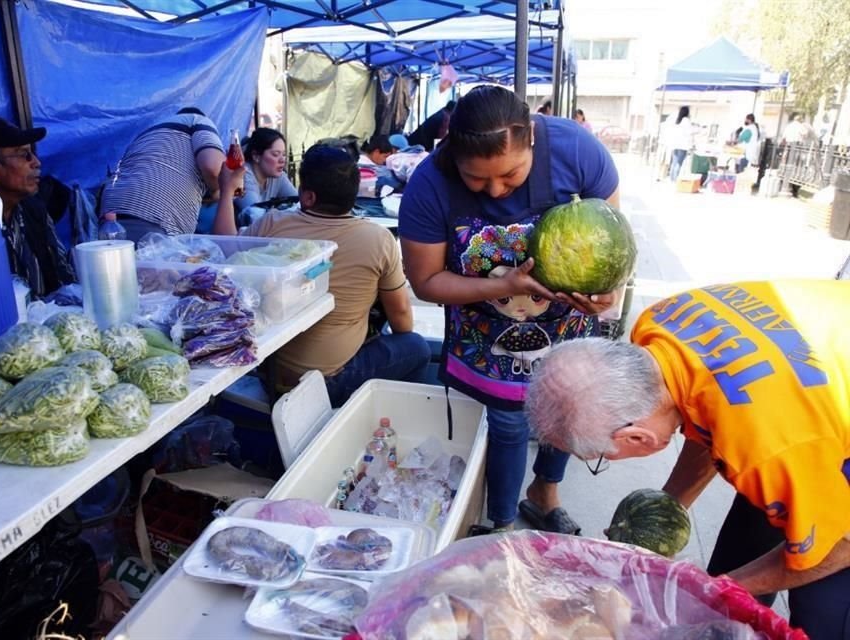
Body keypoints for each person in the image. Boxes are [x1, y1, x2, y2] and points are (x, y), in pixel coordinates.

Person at [524, 280, 850, 638]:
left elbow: (839, 546)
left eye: (598, 457)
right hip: (808, 405)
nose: (602, 460)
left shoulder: (771, 450)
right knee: (748, 540)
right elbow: (709, 411)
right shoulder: (660, 325)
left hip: (815, 441)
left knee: (824, 611)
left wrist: (712, 588)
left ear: (636, 438)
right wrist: (669, 508)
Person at [397, 85, 622, 534]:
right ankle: (501, 521)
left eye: (511, 174)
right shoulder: (429, 183)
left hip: (569, 324)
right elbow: (425, 282)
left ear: (532, 141)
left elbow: (613, 238)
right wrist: (500, 285)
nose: (496, 190)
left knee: (567, 409)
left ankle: (544, 493)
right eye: (477, 180)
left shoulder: (576, 150)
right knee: (508, 422)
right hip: (489, 333)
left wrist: (606, 290)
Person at [214, 144, 430, 407]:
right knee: (416, 347)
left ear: (307, 197)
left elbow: (223, 249)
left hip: (271, 376)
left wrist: (226, 191)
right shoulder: (379, 239)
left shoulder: (272, 224)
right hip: (329, 384)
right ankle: (383, 419)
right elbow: (402, 323)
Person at [0, 116, 76, 298]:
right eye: (24, 155)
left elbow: (62, 272)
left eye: (33, 153)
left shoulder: (34, 209)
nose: (36, 162)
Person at [99, 107, 225, 241]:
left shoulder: (149, 134)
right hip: (151, 218)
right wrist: (219, 191)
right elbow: (214, 168)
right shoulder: (197, 120)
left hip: (109, 220)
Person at [232, 127, 297, 217]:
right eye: (275, 154)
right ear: (256, 156)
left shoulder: (278, 175)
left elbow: (299, 204)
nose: (283, 160)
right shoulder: (242, 175)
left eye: (284, 154)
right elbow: (255, 215)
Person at [781, 113, 816, 198]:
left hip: (789, 147)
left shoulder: (789, 126)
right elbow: (805, 135)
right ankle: (793, 188)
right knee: (796, 168)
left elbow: (784, 138)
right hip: (797, 148)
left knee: (786, 166)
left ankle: (784, 184)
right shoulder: (801, 126)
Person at [668, 106, 693, 182]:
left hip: (675, 145)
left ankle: (671, 179)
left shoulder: (677, 121)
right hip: (682, 146)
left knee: (674, 163)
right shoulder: (686, 121)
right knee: (679, 163)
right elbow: (689, 132)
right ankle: (675, 179)